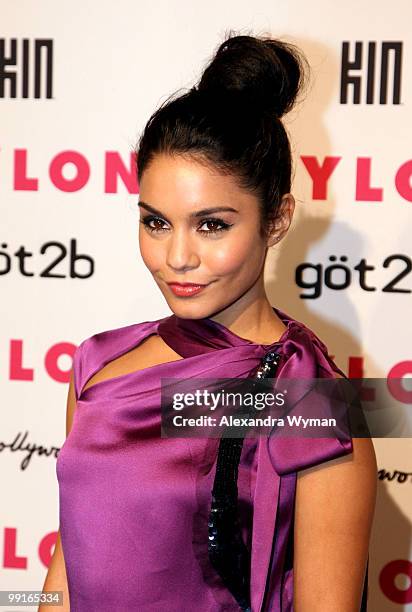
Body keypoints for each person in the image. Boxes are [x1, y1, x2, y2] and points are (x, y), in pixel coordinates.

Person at [40, 32, 377, 611]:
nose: (177, 257)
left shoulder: (309, 400)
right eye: (156, 222)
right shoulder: (98, 367)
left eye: (212, 225)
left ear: (277, 219)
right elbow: (66, 581)